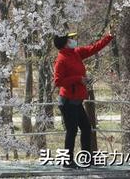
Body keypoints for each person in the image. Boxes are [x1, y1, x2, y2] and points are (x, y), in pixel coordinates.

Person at [53, 31, 114, 168]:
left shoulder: (76, 53)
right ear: (65, 43)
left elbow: (94, 48)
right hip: (68, 101)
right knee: (72, 130)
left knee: (86, 128)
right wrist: (78, 79)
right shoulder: (61, 59)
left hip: (76, 100)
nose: (73, 40)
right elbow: (58, 81)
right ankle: (67, 161)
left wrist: (109, 36)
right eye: (70, 39)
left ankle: (87, 158)